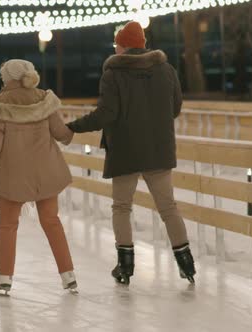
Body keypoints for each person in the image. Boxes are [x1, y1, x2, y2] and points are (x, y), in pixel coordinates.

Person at [66, 21, 196, 285]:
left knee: (122, 207)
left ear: (123, 46)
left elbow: (106, 114)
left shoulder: (113, 74)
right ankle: (187, 266)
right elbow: (175, 107)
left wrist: (72, 128)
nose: (116, 47)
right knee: (168, 207)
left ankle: (125, 267)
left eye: (117, 43)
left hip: (125, 150)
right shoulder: (166, 70)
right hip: (158, 149)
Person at [0, 59, 78, 295]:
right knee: (52, 222)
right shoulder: (44, 98)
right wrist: (80, 128)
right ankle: (68, 274)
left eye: (3, 75)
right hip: (46, 172)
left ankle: (5, 277)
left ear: (10, 77)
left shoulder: (1, 103)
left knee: (8, 225)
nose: (1, 79)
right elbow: (61, 133)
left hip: (15, 175)